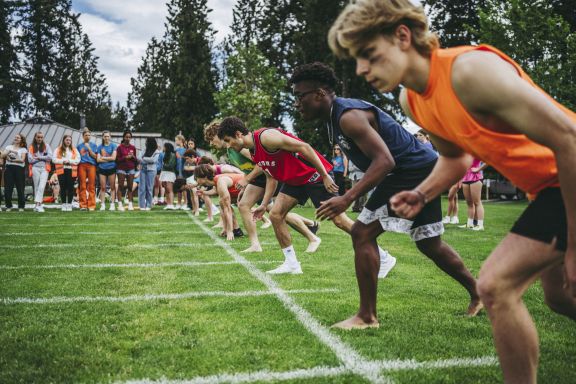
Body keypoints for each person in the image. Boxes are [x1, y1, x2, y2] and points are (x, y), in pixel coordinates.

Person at [329, 1, 576, 381]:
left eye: (369, 55)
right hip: (547, 189)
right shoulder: (411, 99)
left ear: (402, 36)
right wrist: (423, 194)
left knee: (495, 285)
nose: (361, 70)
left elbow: (569, 138)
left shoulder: (470, 71)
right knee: (560, 298)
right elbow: (455, 160)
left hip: (567, 177)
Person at [289, 62, 479, 330]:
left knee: (362, 233)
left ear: (319, 94)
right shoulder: (335, 118)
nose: (297, 103)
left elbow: (384, 161)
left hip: (409, 170)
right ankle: (480, 294)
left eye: (300, 96)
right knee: (429, 242)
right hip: (421, 167)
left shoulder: (347, 116)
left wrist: (347, 198)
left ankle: (367, 317)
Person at [218, 116, 396, 277]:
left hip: (314, 176)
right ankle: (292, 264)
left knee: (340, 221)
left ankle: (384, 257)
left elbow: (305, 147)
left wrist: (325, 175)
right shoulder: (254, 151)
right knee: (275, 214)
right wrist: (264, 204)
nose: (228, 145)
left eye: (228, 140)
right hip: (295, 181)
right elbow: (271, 176)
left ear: (238, 134)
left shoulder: (266, 137)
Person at [204, 119, 319, 254]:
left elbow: (263, 162)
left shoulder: (242, 149)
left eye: (212, 140)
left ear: (218, 135)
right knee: (246, 205)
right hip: (257, 180)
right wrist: (247, 182)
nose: (212, 144)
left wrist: (247, 179)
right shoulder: (232, 150)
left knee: (275, 212)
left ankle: (311, 234)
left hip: (267, 177)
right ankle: (256, 244)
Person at [194, 164, 245, 240]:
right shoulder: (216, 180)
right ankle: (236, 230)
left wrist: (229, 231)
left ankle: (233, 230)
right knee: (222, 203)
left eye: (196, 177)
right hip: (242, 191)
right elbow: (215, 190)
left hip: (252, 187)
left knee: (225, 205)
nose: (195, 179)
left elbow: (227, 208)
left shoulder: (221, 181)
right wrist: (204, 192)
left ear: (204, 177)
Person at [53, 134, 80, 211]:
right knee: (63, 187)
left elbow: (78, 160)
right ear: (64, 140)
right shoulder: (58, 149)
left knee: (71, 188)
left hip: (71, 170)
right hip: (61, 170)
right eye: (67, 140)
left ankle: (69, 204)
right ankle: (64, 204)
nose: (68, 141)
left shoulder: (74, 150)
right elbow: (54, 159)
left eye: (70, 140)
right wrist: (63, 161)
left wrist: (70, 161)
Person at [2, 133, 28, 211]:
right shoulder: (8, 147)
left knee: (20, 187)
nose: (16, 138)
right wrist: (8, 153)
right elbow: (2, 156)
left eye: (18, 138)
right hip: (9, 168)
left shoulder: (23, 149)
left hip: (19, 169)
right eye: (15, 137)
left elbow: (22, 160)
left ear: (21, 140)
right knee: (8, 187)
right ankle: (8, 206)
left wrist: (12, 159)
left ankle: (21, 206)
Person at [28, 131, 53, 212]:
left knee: (42, 186)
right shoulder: (31, 147)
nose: (40, 139)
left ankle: (38, 203)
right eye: (38, 137)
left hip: (45, 168)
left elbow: (50, 157)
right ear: (35, 137)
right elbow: (30, 160)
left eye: (41, 137)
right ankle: (37, 205)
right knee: (37, 186)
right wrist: (42, 158)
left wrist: (39, 158)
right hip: (35, 168)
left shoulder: (47, 146)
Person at [459, 159, 487, 230]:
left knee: (477, 202)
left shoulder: (476, 151)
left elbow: (489, 161)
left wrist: (478, 169)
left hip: (475, 177)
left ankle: (480, 225)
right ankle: (470, 224)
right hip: (465, 178)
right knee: (469, 203)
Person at [77, 128, 99, 211]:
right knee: (82, 185)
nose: (88, 136)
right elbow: (77, 157)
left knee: (91, 185)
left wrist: (89, 148)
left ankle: (91, 205)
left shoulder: (94, 145)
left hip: (91, 165)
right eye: (86, 135)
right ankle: (83, 205)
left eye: (89, 135)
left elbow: (95, 157)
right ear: (83, 136)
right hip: (82, 165)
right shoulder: (79, 146)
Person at [116, 130, 138, 211]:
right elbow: (117, 159)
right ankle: (120, 204)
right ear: (123, 137)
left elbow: (136, 160)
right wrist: (125, 157)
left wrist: (133, 157)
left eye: (129, 137)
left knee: (130, 186)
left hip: (131, 169)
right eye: (126, 137)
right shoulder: (119, 148)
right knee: (121, 186)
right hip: (121, 169)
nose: (128, 138)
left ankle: (130, 204)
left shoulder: (133, 148)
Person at [97, 131, 118, 211]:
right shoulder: (99, 147)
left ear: (110, 137)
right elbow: (98, 160)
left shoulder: (113, 145)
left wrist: (103, 158)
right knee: (102, 187)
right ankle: (102, 205)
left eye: (108, 136)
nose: (106, 138)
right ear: (102, 137)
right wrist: (108, 159)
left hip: (111, 168)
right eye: (105, 136)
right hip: (102, 169)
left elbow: (114, 158)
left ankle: (112, 204)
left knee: (112, 187)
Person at [139, 137, 160, 211]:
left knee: (149, 188)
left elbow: (153, 160)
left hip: (151, 171)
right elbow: (139, 159)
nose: (145, 143)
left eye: (146, 141)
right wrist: (146, 159)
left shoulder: (157, 151)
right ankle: (141, 205)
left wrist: (144, 158)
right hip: (143, 170)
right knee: (142, 188)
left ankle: (148, 205)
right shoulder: (143, 150)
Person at [159, 142, 177, 210]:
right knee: (166, 189)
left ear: (167, 147)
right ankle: (168, 204)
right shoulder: (164, 154)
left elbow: (171, 165)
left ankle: (171, 204)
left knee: (170, 189)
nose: (163, 148)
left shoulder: (172, 155)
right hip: (164, 173)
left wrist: (164, 165)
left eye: (164, 147)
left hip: (170, 173)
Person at [174, 134, 189, 210]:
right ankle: (179, 202)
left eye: (176, 140)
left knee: (184, 187)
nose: (175, 141)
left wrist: (180, 157)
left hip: (183, 171)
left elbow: (185, 159)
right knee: (178, 187)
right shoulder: (176, 150)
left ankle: (185, 202)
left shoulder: (185, 150)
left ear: (180, 140)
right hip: (177, 171)